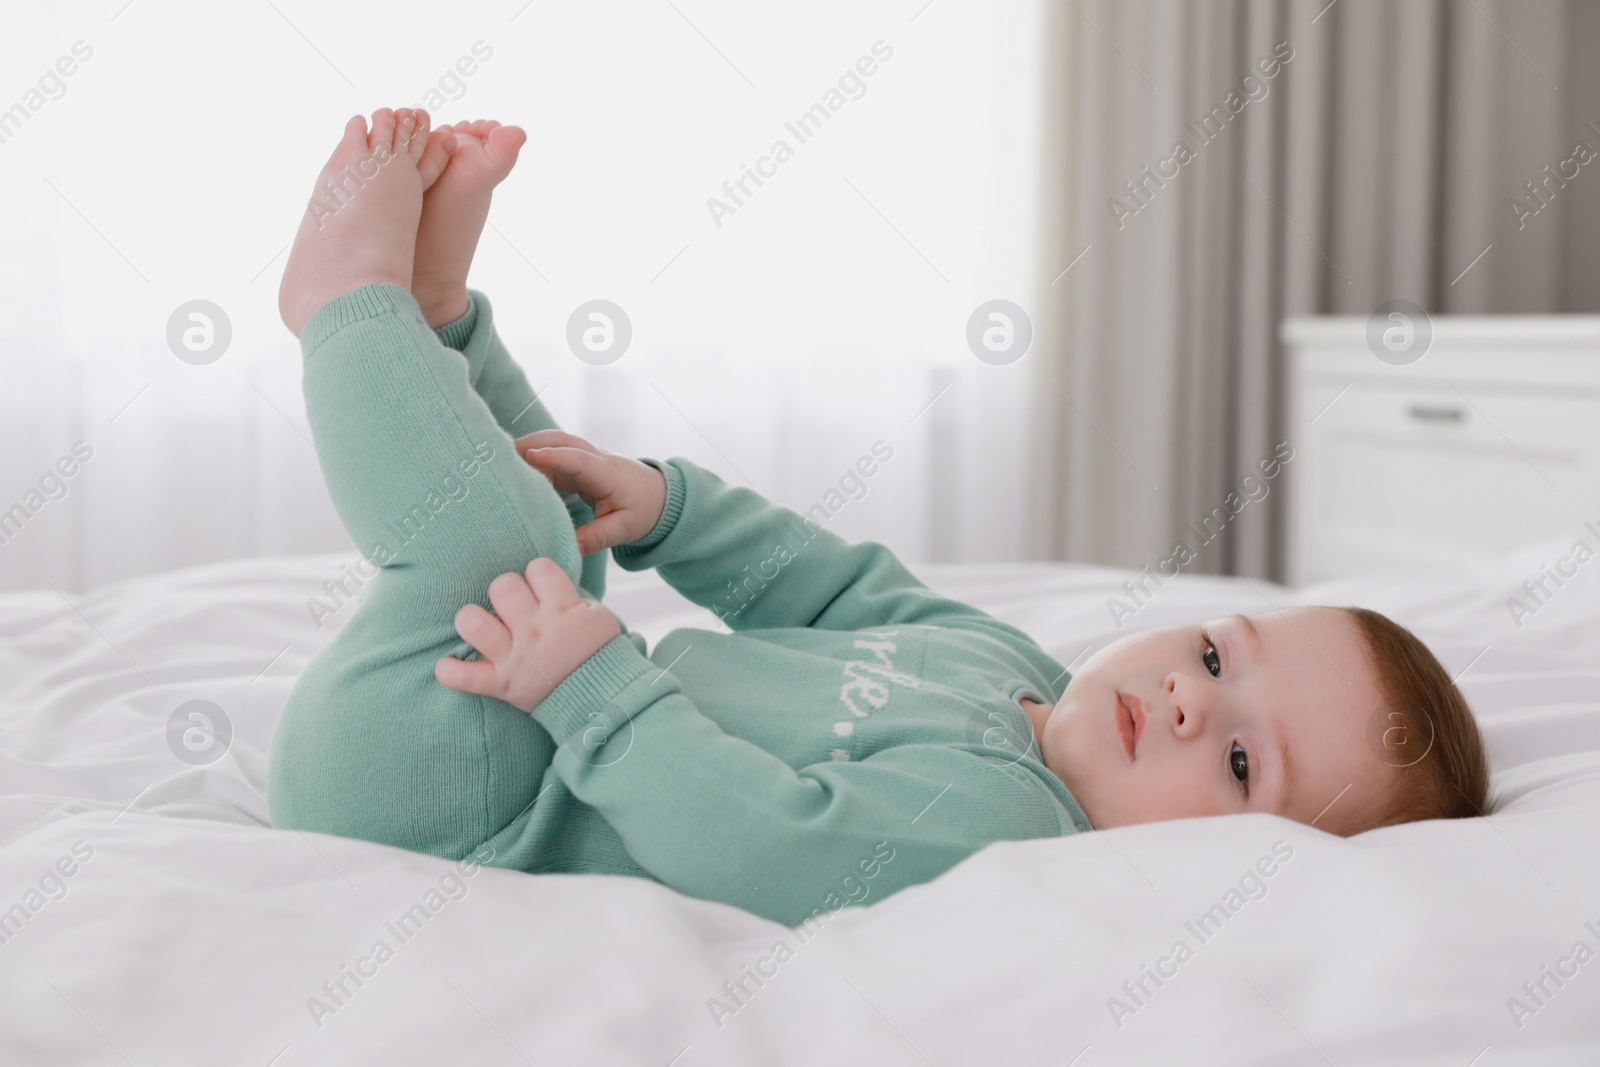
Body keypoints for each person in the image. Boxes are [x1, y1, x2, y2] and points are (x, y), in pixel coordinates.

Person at [267, 109, 1493, 926]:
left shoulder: (1005, 826)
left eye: (1237, 759)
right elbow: (837, 587)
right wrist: (673, 511)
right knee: (568, 508)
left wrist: (590, 693)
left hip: (459, 802)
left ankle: (347, 309)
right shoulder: (1013, 667)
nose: (1188, 695)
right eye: (1220, 652)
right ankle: (438, 324)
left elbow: (767, 844)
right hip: (525, 716)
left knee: (508, 554)